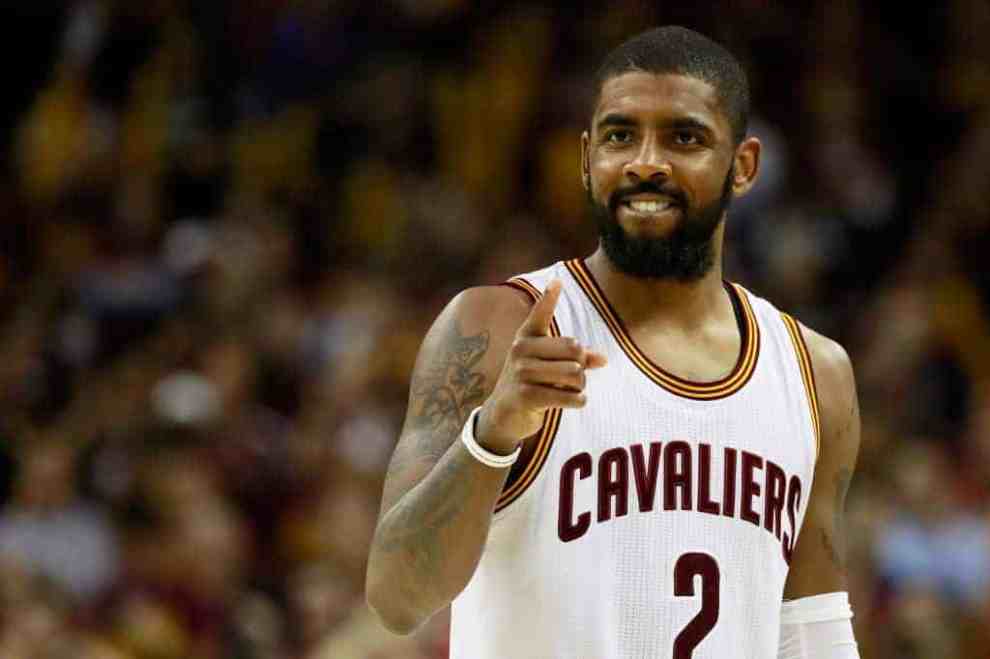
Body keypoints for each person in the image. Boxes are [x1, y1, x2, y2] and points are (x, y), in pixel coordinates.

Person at [365, 25, 861, 659]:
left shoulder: (815, 373)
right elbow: (396, 598)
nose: (645, 162)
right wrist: (492, 435)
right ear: (585, 159)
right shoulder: (496, 329)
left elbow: (813, 632)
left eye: (684, 137)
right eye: (620, 135)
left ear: (744, 167)